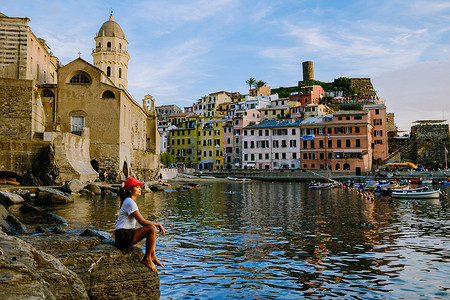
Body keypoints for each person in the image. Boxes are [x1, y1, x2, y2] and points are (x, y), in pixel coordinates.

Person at [115, 177, 165, 272]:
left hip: (123, 235)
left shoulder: (128, 201)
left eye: (139, 187)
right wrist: (158, 224)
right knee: (151, 228)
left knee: (151, 229)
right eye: (137, 187)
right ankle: (147, 259)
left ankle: (152, 255)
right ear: (130, 190)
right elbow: (142, 222)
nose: (140, 189)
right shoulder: (129, 202)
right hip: (123, 236)